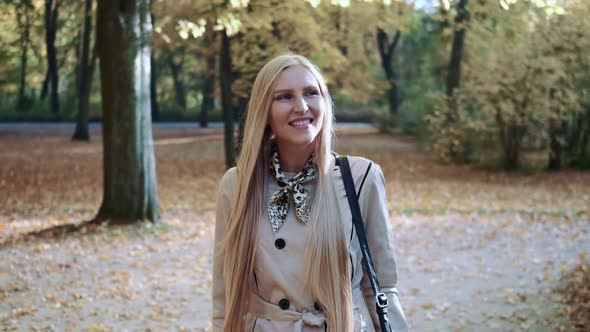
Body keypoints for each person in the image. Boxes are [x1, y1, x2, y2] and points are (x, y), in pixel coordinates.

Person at [212, 53, 408, 332]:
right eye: (284, 97)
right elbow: (225, 294)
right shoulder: (238, 184)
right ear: (264, 111)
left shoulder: (361, 177)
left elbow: (383, 286)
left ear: (325, 103)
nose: (301, 106)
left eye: (311, 93)